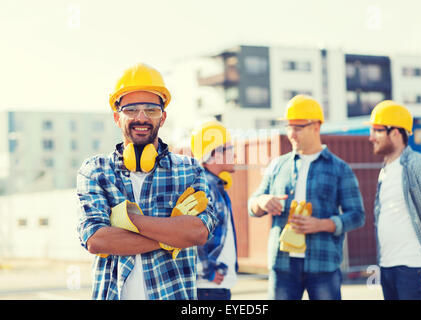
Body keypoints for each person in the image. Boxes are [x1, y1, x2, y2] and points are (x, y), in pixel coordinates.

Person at [76, 63, 218, 300]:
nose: (141, 118)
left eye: (151, 110)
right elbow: (97, 240)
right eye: (131, 110)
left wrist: (125, 219)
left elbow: (198, 233)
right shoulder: (95, 171)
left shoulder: (190, 170)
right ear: (116, 117)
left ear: (162, 117)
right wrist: (172, 236)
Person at [248, 95, 365, 300]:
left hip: (323, 264)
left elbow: (357, 215)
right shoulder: (277, 165)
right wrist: (262, 202)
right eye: (289, 127)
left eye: (298, 127)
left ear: (316, 127)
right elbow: (252, 204)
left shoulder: (340, 169)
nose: (291, 134)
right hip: (282, 264)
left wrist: (322, 224)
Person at [368, 100, 421, 300]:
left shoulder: (418, 165)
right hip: (388, 267)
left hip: (414, 268)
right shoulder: (386, 170)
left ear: (396, 132)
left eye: (377, 130)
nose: (371, 138)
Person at [191, 121, 238, 300]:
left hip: (214, 287)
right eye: (230, 148)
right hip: (208, 289)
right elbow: (195, 234)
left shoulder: (214, 185)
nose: (235, 154)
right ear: (215, 153)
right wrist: (208, 271)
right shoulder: (205, 187)